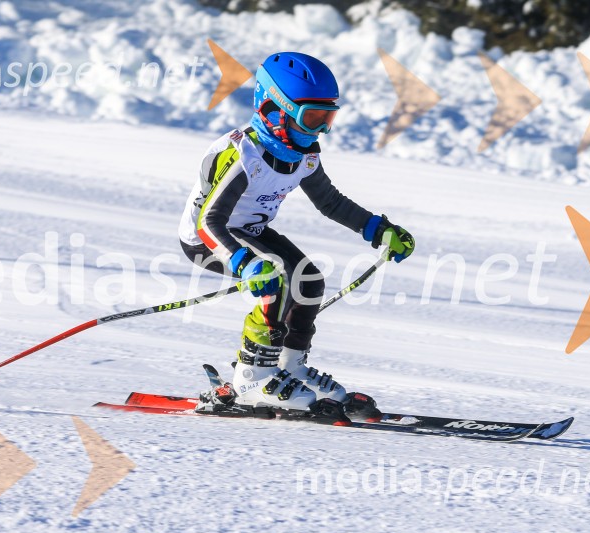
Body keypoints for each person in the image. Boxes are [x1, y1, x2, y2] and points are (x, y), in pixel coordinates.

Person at [178, 52, 415, 411]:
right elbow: (208, 222)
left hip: (250, 231)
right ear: (274, 109)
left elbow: (330, 202)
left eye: (326, 117)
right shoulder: (244, 154)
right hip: (210, 238)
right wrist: (244, 263)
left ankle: (289, 367)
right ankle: (252, 379)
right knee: (276, 278)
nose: (319, 129)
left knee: (309, 281)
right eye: (311, 117)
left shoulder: (302, 155)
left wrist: (378, 229)